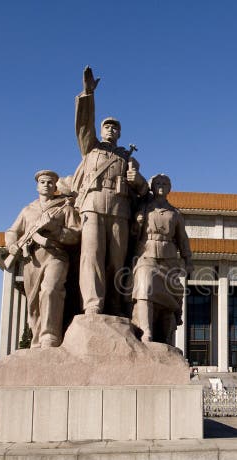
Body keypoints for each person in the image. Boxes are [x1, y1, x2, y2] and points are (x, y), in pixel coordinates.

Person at [65, 66, 148, 316]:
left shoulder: (126, 157)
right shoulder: (91, 148)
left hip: (119, 209)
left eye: (115, 127)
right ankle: (93, 304)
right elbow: (83, 125)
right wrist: (88, 94)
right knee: (91, 256)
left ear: (120, 133)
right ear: (101, 131)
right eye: (107, 126)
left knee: (116, 261)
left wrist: (138, 180)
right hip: (92, 205)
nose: (111, 130)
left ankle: (113, 304)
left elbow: (144, 190)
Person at [5, 170, 81, 348]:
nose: (46, 185)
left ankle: (50, 335)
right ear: (37, 186)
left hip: (56, 255)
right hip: (32, 258)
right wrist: (12, 244)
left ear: (55, 186)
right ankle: (37, 338)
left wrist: (55, 229)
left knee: (50, 290)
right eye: (43, 182)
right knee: (33, 303)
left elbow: (76, 235)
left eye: (50, 182)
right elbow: (12, 231)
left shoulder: (64, 207)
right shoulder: (27, 210)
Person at [131, 174, 193, 344]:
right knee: (145, 288)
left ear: (169, 188)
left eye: (165, 183)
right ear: (151, 186)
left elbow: (182, 239)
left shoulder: (175, 213)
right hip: (146, 254)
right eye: (157, 182)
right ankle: (146, 331)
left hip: (169, 259)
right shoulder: (143, 208)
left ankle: (165, 333)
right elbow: (131, 234)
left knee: (170, 299)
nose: (161, 185)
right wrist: (137, 224)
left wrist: (188, 260)